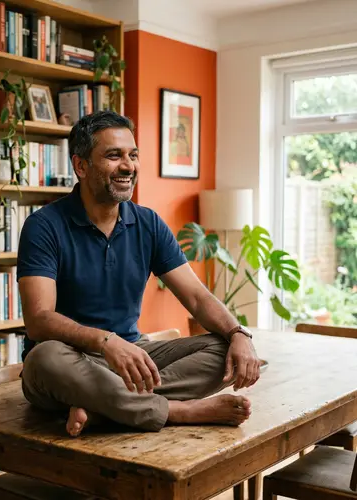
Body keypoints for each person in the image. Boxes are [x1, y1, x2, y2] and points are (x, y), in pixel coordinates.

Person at [17, 110, 261, 437]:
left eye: (133, 155)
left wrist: (238, 334)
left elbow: (197, 297)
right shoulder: (44, 226)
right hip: (72, 362)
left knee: (221, 350)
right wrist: (106, 342)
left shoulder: (147, 223)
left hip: (134, 357)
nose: (128, 166)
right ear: (81, 166)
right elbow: (39, 319)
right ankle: (175, 410)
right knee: (43, 357)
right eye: (113, 155)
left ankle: (104, 410)